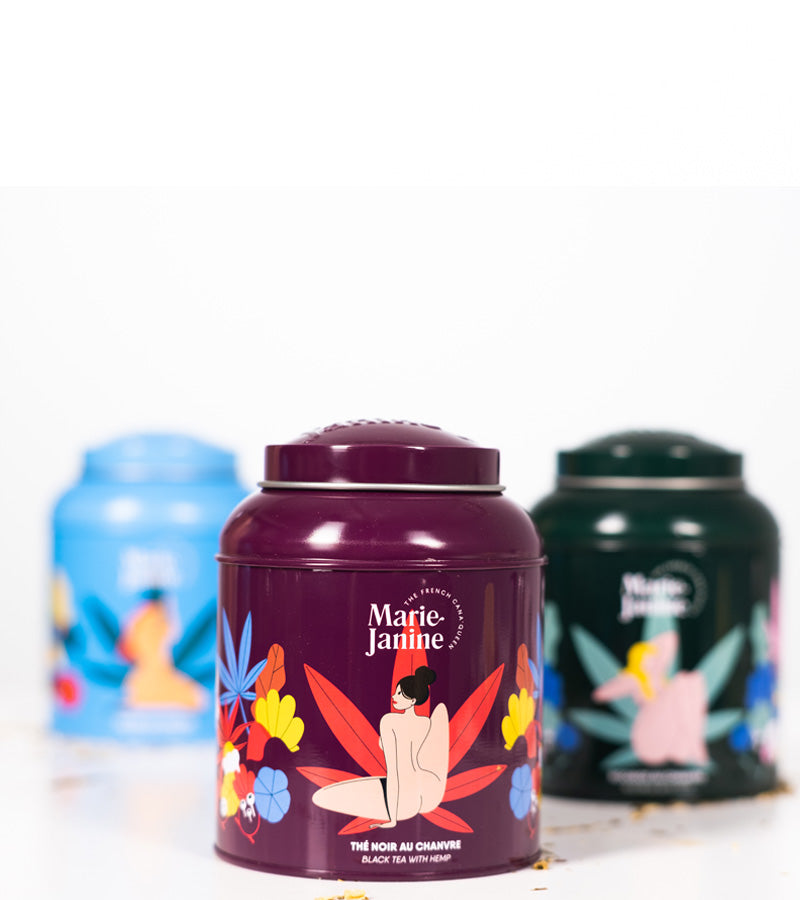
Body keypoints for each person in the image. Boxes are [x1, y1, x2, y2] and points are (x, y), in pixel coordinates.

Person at [312, 666, 449, 827]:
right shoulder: (426, 722)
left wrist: (392, 819)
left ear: (412, 700)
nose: (394, 696)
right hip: (429, 791)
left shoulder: (390, 721)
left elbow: (394, 772)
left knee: (324, 797)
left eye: (399, 693)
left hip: (404, 798)